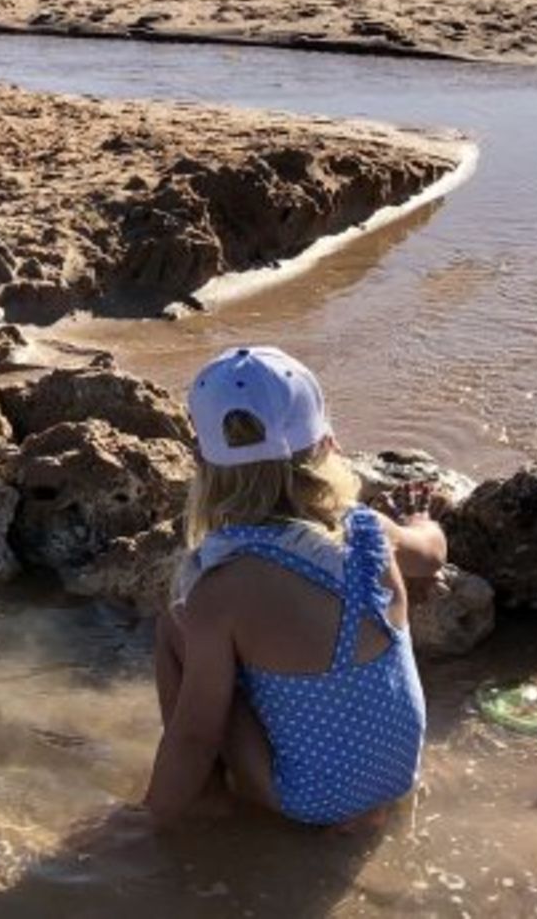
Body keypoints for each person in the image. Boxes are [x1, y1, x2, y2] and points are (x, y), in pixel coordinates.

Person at [144, 346, 446, 830]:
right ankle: (360, 806)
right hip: (396, 775)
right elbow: (430, 555)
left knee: (176, 631)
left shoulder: (219, 592)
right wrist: (420, 519)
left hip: (309, 802)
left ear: (201, 461)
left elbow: (195, 738)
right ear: (326, 444)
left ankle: (205, 798)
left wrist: (146, 825)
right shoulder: (368, 530)